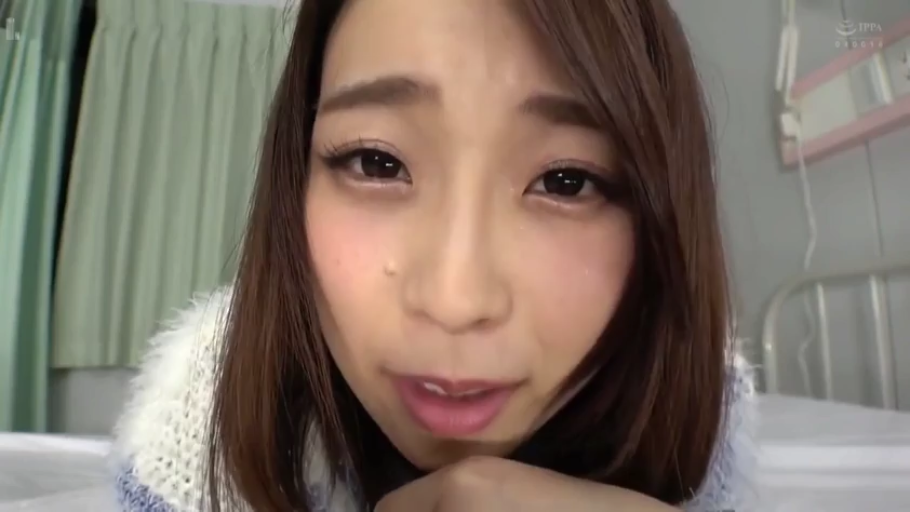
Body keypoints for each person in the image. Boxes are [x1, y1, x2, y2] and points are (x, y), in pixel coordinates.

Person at [113, 0, 757, 510]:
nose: (455, 301)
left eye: (566, 181)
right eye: (376, 162)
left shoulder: (699, 405)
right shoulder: (206, 407)